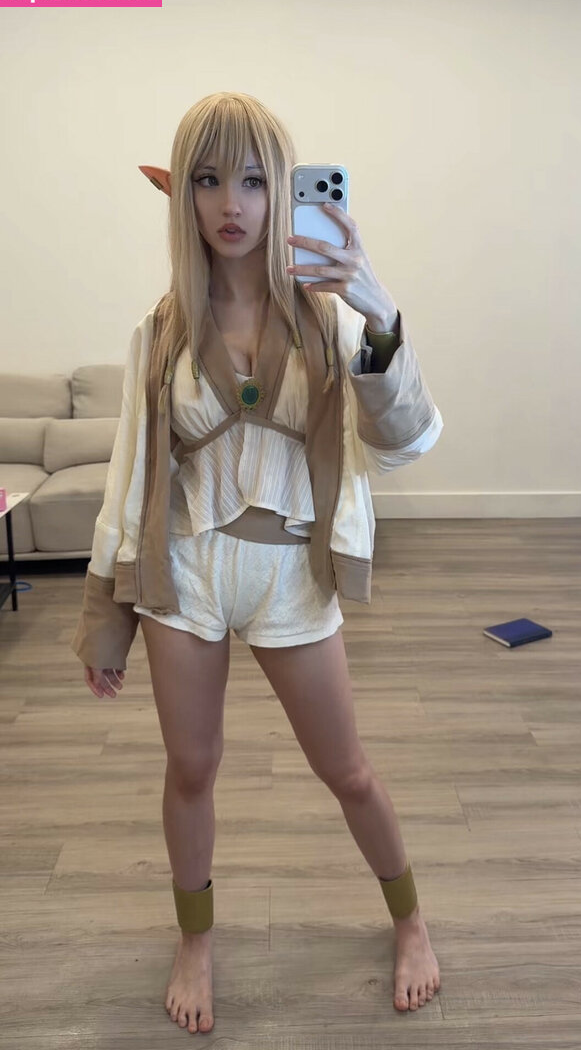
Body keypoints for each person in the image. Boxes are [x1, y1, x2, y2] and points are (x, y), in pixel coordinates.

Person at [71, 91, 444, 1035]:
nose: (229, 203)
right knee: (190, 769)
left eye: (251, 180)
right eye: (206, 180)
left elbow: (406, 441)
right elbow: (128, 476)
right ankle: (194, 939)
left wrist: (380, 308)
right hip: (187, 578)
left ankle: (410, 920)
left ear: (284, 191)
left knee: (347, 769)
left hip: (292, 581)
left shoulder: (332, 322)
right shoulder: (160, 331)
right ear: (182, 196)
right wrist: (106, 618)